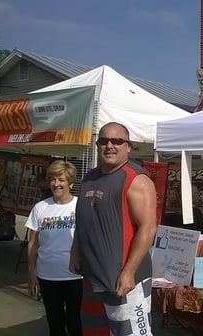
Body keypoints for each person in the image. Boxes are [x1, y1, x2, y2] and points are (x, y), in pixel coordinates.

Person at [70, 122, 157, 336]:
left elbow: (148, 228)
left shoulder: (137, 180)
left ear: (128, 147)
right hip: (92, 278)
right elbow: (83, 219)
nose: (110, 145)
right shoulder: (89, 177)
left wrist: (129, 272)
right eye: (103, 140)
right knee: (94, 332)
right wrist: (75, 250)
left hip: (125, 282)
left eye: (117, 141)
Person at [26, 160, 83, 336]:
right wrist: (31, 273)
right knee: (54, 322)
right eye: (52, 179)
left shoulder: (81, 206)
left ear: (71, 183)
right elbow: (32, 243)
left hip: (76, 275)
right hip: (47, 275)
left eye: (61, 179)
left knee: (75, 322)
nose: (56, 184)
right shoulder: (40, 208)